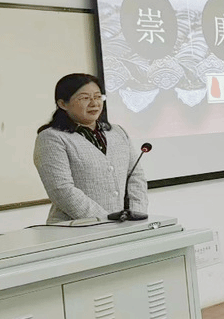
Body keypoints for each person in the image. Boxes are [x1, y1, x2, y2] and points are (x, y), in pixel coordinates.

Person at [33, 73, 148, 224]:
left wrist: (136, 214)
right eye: (84, 98)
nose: (94, 103)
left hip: (122, 226)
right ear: (62, 104)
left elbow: (136, 177)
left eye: (98, 97)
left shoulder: (117, 132)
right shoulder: (51, 138)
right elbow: (61, 190)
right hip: (75, 228)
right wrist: (105, 220)